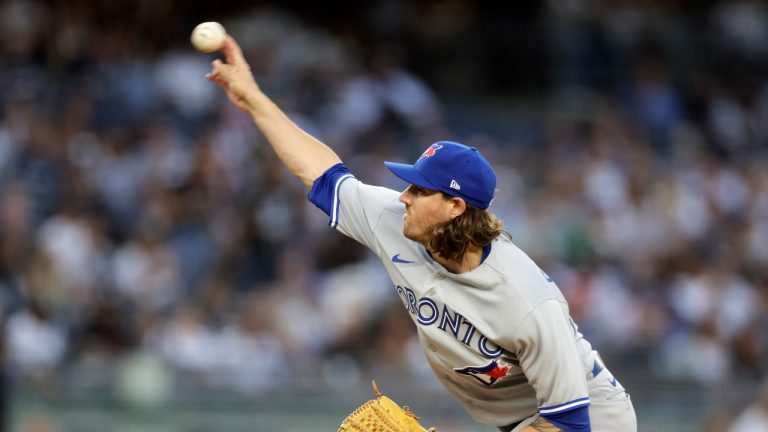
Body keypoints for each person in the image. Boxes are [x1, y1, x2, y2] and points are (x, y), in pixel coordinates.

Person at [205, 35, 637, 432]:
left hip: (591, 421)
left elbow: (569, 424)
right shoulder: (397, 221)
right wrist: (253, 99)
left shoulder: (526, 300)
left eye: (419, 189)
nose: (404, 197)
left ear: (455, 207)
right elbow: (322, 174)